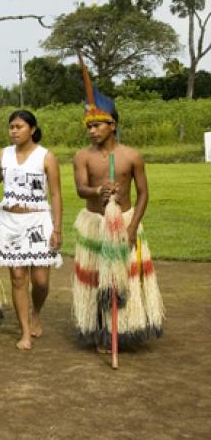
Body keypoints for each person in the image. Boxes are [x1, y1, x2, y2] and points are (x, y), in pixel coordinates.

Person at [72, 79, 164, 351]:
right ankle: (100, 328)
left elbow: (143, 194)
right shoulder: (82, 157)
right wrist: (98, 190)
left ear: (112, 125)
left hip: (124, 221)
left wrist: (133, 227)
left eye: (97, 125)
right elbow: (80, 189)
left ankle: (124, 327)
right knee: (97, 277)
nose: (92, 131)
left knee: (126, 277)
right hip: (95, 224)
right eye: (88, 126)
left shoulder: (131, 156)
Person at [0, 110, 62, 350]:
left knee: (40, 281)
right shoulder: (4, 154)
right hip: (9, 222)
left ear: (33, 129)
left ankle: (36, 311)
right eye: (11, 127)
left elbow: (56, 194)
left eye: (19, 127)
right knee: (18, 278)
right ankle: (25, 330)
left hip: (37, 222)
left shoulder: (46, 157)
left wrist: (57, 229)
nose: (14, 131)